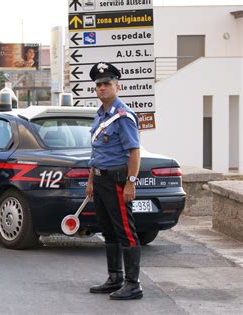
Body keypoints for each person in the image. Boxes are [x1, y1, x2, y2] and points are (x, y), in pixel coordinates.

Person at [86, 62, 143, 300]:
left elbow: (134, 152)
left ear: (117, 86)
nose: (101, 88)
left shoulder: (123, 117)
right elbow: (97, 153)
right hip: (100, 180)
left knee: (125, 232)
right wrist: (91, 181)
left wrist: (130, 182)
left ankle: (133, 284)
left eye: (106, 84)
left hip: (117, 180)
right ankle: (114, 278)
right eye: (98, 84)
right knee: (107, 231)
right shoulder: (100, 116)